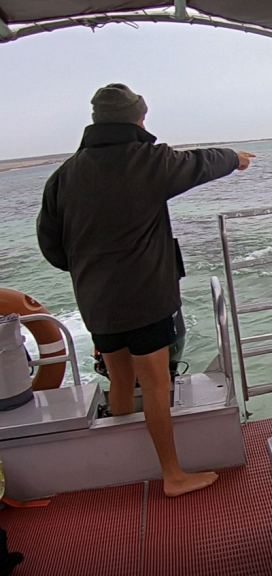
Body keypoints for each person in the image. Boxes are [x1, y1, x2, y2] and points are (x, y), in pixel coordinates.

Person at [36, 83, 254, 497]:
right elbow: (200, 163)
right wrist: (236, 159)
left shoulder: (63, 176)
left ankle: (128, 465)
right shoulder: (148, 160)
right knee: (155, 384)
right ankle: (172, 475)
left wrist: (86, 269)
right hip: (147, 299)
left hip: (97, 302)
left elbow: (50, 245)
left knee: (119, 381)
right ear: (138, 119)